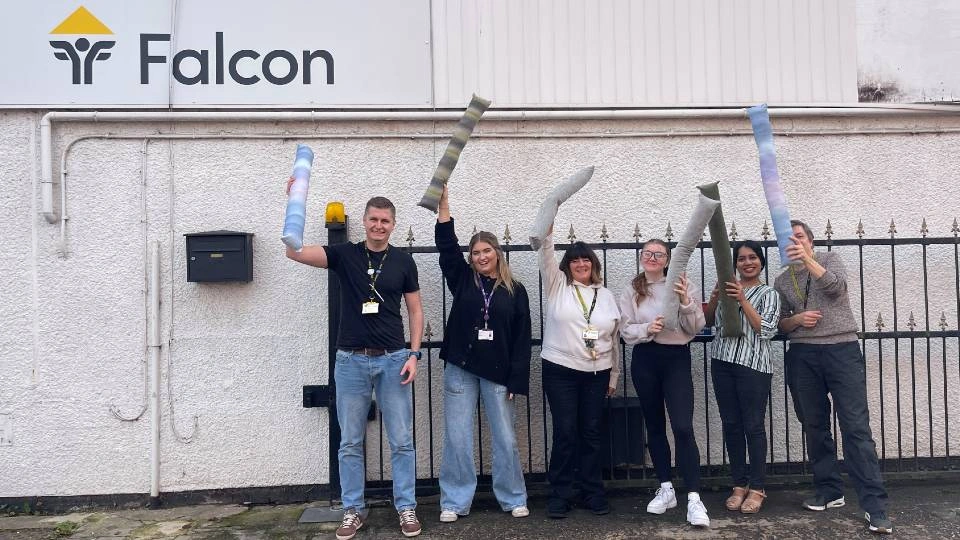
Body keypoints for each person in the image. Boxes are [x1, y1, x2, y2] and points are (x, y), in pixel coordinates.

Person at [284, 187, 424, 540]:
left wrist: (415, 354)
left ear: (393, 225)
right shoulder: (345, 254)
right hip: (350, 361)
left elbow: (416, 310)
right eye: (373, 219)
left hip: (394, 360)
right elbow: (295, 252)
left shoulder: (404, 261)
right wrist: (292, 204)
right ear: (364, 221)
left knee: (402, 439)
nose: (379, 225)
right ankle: (352, 510)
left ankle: (405, 507)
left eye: (385, 221)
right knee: (350, 441)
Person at [773, 220, 892, 534]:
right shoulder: (782, 280)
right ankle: (829, 490)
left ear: (811, 241)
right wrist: (796, 319)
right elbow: (780, 325)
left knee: (855, 426)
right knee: (814, 425)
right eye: (790, 239)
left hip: (841, 349)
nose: (795, 242)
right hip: (802, 355)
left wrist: (808, 260)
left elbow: (835, 287)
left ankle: (875, 506)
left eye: (800, 237)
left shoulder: (829, 260)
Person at [434, 186, 532, 522]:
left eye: (486, 250)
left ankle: (513, 496)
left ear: (497, 253)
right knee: (458, 437)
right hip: (460, 368)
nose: (481, 257)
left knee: (506, 437)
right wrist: (444, 209)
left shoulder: (516, 291)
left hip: (499, 373)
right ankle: (455, 502)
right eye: (475, 252)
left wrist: (517, 379)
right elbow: (447, 249)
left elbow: (522, 339)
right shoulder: (462, 280)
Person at [618, 238, 710, 527]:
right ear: (642, 257)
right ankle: (666, 487)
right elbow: (625, 329)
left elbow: (696, 327)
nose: (653, 258)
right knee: (655, 425)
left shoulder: (683, 283)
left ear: (668, 259)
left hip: (676, 358)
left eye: (659, 254)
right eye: (648, 253)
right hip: (645, 358)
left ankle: (694, 498)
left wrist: (685, 302)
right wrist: (648, 328)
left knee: (682, 426)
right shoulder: (633, 289)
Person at [537, 222, 620, 518]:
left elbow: (614, 339)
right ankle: (560, 494)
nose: (581, 264)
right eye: (575, 260)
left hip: (597, 373)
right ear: (567, 266)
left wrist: (613, 375)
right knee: (565, 432)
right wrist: (549, 222)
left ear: (593, 264)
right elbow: (545, 251)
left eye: (586, 259)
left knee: (591, 432)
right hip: (561, 371)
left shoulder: (606, 296)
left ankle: (592, 492)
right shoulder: (558, 286)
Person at [704, 240, 781, 514]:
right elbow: (710, 321)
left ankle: (758, 487)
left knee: (753, 425)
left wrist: (743, 300)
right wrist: (715, 298)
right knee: (731, 424)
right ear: (735, 263)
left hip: (753, 365)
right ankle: (738, 483)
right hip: (722, 361)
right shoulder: (728, 288)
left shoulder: (769, 292)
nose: (747, 262)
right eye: (741, 258)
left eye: (753, 258)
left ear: (761, 261)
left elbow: (767, 330)